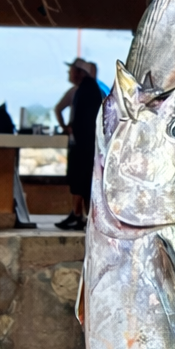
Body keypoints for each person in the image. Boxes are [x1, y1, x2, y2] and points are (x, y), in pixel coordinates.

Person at [57, 57, 104, 231]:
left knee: (81, 180)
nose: (69, 74)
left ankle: (79, 215)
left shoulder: (87, 90)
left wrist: (71, 129)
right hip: (86, 145)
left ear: (79, 73)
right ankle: (79, 215)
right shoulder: (88, 89)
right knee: (82, 181)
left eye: (71, 71)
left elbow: (86, 120)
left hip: (85, 147)